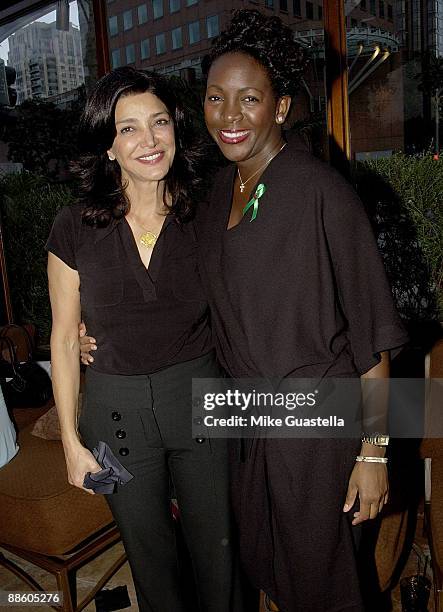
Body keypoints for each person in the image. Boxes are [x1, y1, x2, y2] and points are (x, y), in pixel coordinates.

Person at [80, 11, 409, 611]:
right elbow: (181, 296)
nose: (229, 117)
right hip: (247, 423)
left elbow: (373, 335)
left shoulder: (320, 191)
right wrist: (93, 332)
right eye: (215, 98)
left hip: (317, 426)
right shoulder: (211, 199)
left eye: (249, 99)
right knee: (262, 563)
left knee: (323, 585)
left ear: (280, 108)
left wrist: (373, 453)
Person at [47, 67, 244, 612]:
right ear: (108, 146)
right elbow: (64, 339)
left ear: (176, 131)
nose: (148, 140)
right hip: (113, 413)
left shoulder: (210, 211)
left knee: (220, 554)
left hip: (204, 398)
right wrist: (69, 440)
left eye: (158, 123)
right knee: (148, 556)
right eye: (128, 128)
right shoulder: (73, 226)